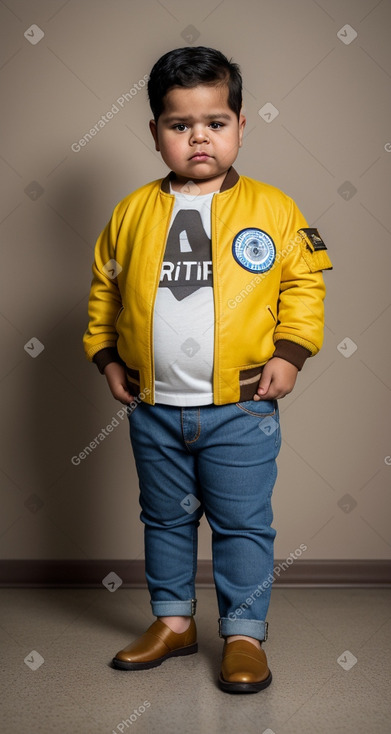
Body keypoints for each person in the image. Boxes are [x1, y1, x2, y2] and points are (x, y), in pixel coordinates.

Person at [83, 46, 332, 694]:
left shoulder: (273, 209)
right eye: (179, 124)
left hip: (240, 410)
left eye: (215, 122)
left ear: (241, 126)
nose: (198, 136)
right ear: (155, 133)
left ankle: (244, 633)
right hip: (154, 406)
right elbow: (103, 292)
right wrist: (107, 358)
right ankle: (171, 621)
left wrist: (290, 352)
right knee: (162, 519)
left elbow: (303, 283)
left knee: (243, 523)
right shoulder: (131, 214)